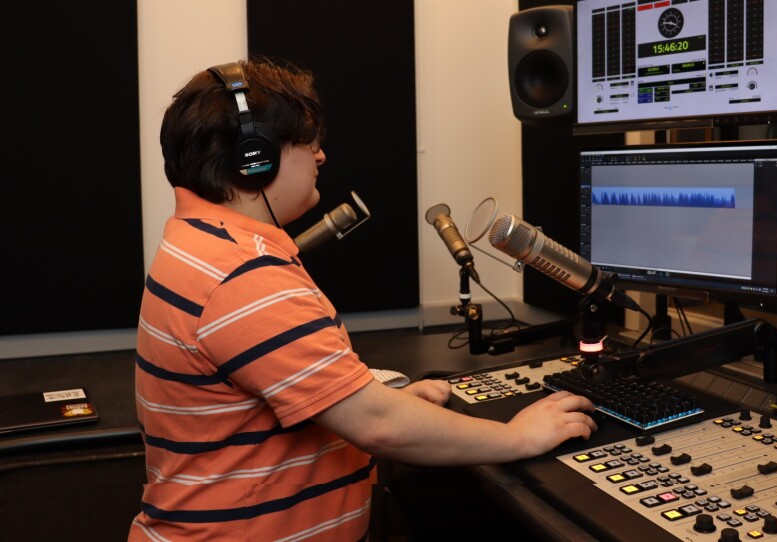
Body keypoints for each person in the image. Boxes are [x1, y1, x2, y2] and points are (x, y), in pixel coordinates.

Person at [129, 56, 597, 542]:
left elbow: (303, 401)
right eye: (308, 143)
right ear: (255, 159)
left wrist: (361, 401)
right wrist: (519, 436)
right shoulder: (242, 273)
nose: (321, 157)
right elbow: (378, 426)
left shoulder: (195, 241)